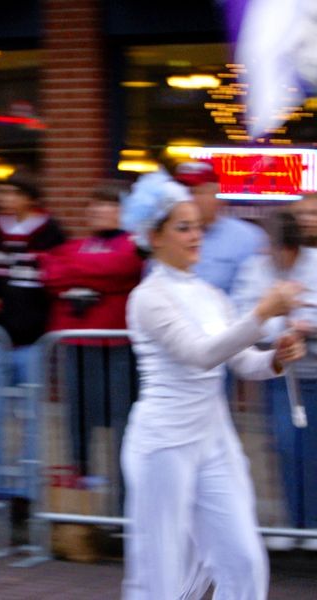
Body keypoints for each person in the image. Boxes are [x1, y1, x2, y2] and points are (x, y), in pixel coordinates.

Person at [119, 171, 305, 599]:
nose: (195, 235)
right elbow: (200, 353)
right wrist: (260, 314)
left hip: (213, 439)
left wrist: (275, 358)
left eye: (197, 226)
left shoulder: (209, 294)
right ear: (154, 236)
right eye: (182, 227)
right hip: (163, 443)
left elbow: (240, 362)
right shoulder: (148, 297)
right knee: (160, 574)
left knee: (243, 560)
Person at [0, 170, 64, 501]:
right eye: (0, 193)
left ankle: (26, 490)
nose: (3, 199)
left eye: (11, 192)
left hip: (34, 340)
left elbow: (56, 279)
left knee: (30, 419)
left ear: (29, 197)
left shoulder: (51, 232)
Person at [42, 181, 143, 480]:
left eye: (108, 204)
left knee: (123, 421)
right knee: (78, 418)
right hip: (78, 343)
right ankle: (81, 483)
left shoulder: (134, 243)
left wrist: (81, 273)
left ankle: (123, 494)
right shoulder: (77, 245)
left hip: (118, 347)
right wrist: (97, 274)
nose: (99, 210)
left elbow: (121, 267)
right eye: (94, 204)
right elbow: (49, 270)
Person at [232, 211, 317, 546]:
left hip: (313, 369)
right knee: (285, 446)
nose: (271, 253)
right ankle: (293, 524)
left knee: (312, 451)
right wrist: (279, 328)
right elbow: (246, 313)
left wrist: (308, 326)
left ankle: (311, 524)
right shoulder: (256, 268)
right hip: (282, 372)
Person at [173, 160, 266, 293]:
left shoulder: (249, 238)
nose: (188, 198)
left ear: (217, 195)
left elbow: (254, 295)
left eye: (197, 192)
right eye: (184, 192)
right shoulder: (167, 236)